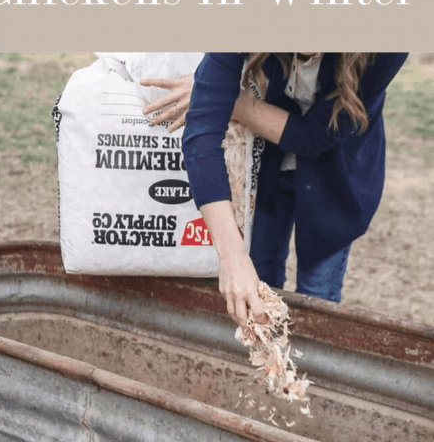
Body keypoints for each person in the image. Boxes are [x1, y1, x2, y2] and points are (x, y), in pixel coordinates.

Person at [143, 52, 407, 325]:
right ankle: (267, 361)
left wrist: (232, 100)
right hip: (267, 163)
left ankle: (310, 363)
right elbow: (202, 135)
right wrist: (232, 255)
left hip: (334, 175)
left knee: (318, 295)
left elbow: (313, 138)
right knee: (260, 275)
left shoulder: (387, 48)